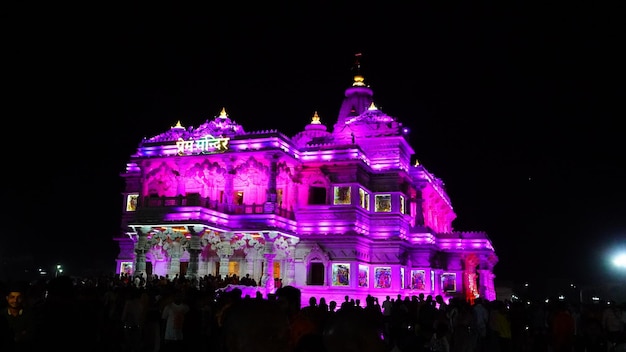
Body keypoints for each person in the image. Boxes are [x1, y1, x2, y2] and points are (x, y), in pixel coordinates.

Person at [3, 281, 32, 352]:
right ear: (7, 298)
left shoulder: (29, 314)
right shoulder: (1, 314)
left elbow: (32, 333)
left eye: (19, 297)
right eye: (12, 297)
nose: (15, 300)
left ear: (22, 298)